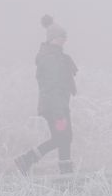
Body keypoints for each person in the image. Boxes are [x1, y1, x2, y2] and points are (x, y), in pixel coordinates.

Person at [14, 15, 79, 175]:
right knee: (62, 137)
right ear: (53, 39)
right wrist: (58, 111)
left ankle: (65, 173)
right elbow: (52, 86)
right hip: (55, 106)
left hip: (59, 105)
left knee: (65, 137)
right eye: (62, 37)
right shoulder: (50, 59)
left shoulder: (56, 57)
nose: (65, 40)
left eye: (65, 37)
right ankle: (27, 160)